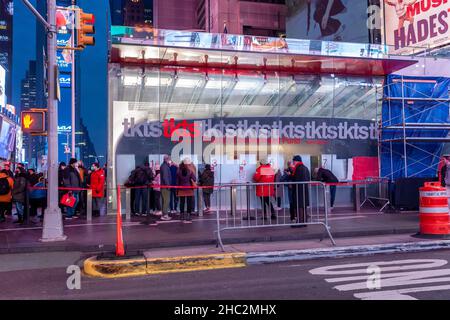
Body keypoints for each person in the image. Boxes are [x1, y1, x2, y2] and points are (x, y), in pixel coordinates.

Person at [290, 155, 311, 227]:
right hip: (304, 189)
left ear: (296, 161)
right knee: (303, 206)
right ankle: (304, 222)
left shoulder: (298, 168)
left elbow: (296, 179)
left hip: (298, 190)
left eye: (294, 161)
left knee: (299, 206)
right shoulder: (305, 168)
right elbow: (308, 178)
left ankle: (299, 223)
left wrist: (290, 175)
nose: (293, 162)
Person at [159, 155, 173, 221]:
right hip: (165, 187)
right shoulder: (165, 167)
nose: (170, 160)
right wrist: (168, 185)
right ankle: (165, 215)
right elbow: (165, 177)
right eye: (169, 159)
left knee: (165, 200)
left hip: (164, 186)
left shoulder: (164, 166)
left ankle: (164, 214)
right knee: (166, 201)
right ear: (166, 160)